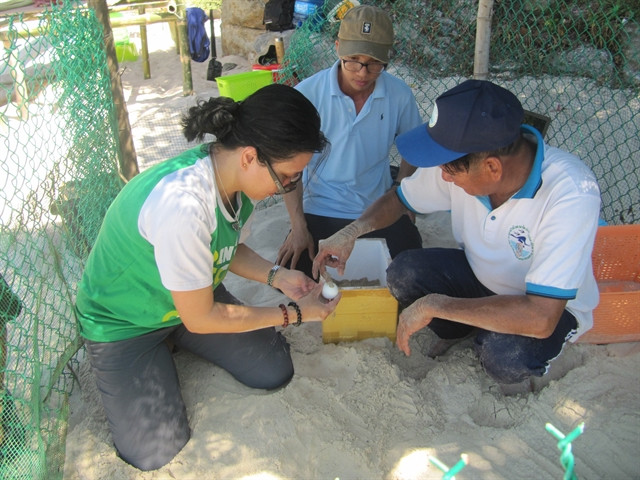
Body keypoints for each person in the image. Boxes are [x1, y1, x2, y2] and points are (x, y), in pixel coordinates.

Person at [74, 84, 340, 471]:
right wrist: (296, 314)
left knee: (273, 369)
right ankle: (155, 349)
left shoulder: (232, 177)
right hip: (123, 321)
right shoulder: (184, 205)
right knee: (156, 450)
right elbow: (202, 317)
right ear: (251, 156)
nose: (288, 187)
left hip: (186, 301)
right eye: (287, 177)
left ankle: (173, 341)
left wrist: (278, 277)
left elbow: (224, 249)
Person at [312, 79, 601, 394]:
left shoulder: (570, 193)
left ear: (492, 168)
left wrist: (437, 304)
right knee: (404, 273)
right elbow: (399, 199)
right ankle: (460, 329)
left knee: (503, 356)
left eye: (449, 170)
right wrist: (352, 231)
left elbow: (541, 316)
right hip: (481, 278)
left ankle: (520, 352)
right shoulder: (464, 163)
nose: (442, 176)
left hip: (543, 306)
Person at [276, 5, 423, 278]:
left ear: (387, 57)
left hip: (376, 207)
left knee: (411, 270)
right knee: (292, 273)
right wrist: (298, 226)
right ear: (337, 48)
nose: (363, 73)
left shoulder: (400, 94)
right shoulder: (307, 93)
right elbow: (288, 167)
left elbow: (413, 147)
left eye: (375, 62)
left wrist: (401, 194)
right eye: (353, 59)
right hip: (321, 205)